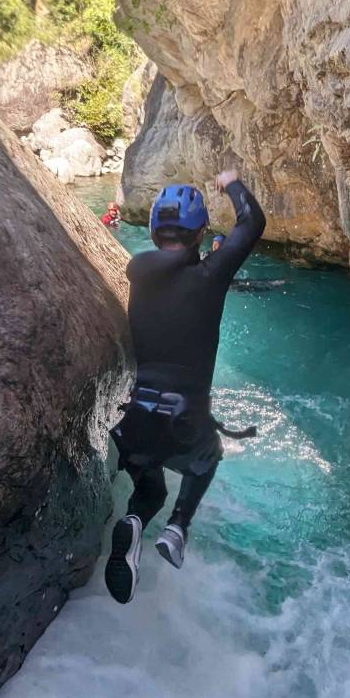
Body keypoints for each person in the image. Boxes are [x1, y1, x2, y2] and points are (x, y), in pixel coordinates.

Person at [105, 170, 266, 604]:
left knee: (149, 489)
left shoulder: (139, 276)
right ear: (199, 234)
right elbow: (252, 223)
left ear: (153, 231)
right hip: (186, 418)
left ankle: (135, 522)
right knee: (207, 456)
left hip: (136, 417)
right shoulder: (209, 275)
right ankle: (177, 527)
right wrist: (232, 183)